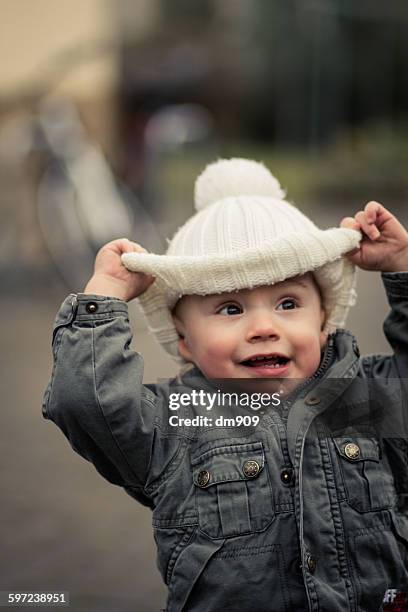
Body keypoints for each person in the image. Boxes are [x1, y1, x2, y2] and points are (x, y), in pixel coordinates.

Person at [43, 158, 408, 611]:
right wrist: (104, 297)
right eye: (230, 309)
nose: (262, 327)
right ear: (185, 341)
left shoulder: (372, 399)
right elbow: (86, 402)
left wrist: (402, 272)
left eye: (288, 302)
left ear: (323, 322)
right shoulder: (172, 421)